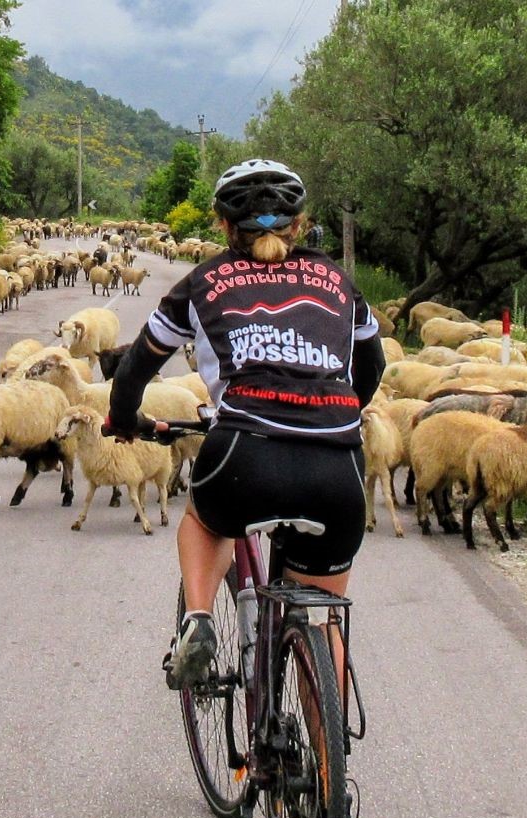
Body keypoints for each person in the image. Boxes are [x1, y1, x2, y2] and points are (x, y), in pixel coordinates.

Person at [106, 159, 383, 689]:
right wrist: (341, 414)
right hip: (337, 463)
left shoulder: (202, 281)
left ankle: (200, 619)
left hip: (243, 452)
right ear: (299, 225)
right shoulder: (338, 281)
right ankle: (328, 765)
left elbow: (136, 365)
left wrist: (124, 419)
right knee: (322, 620)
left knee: (208, 521)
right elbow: (372, 368)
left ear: (221, 226)